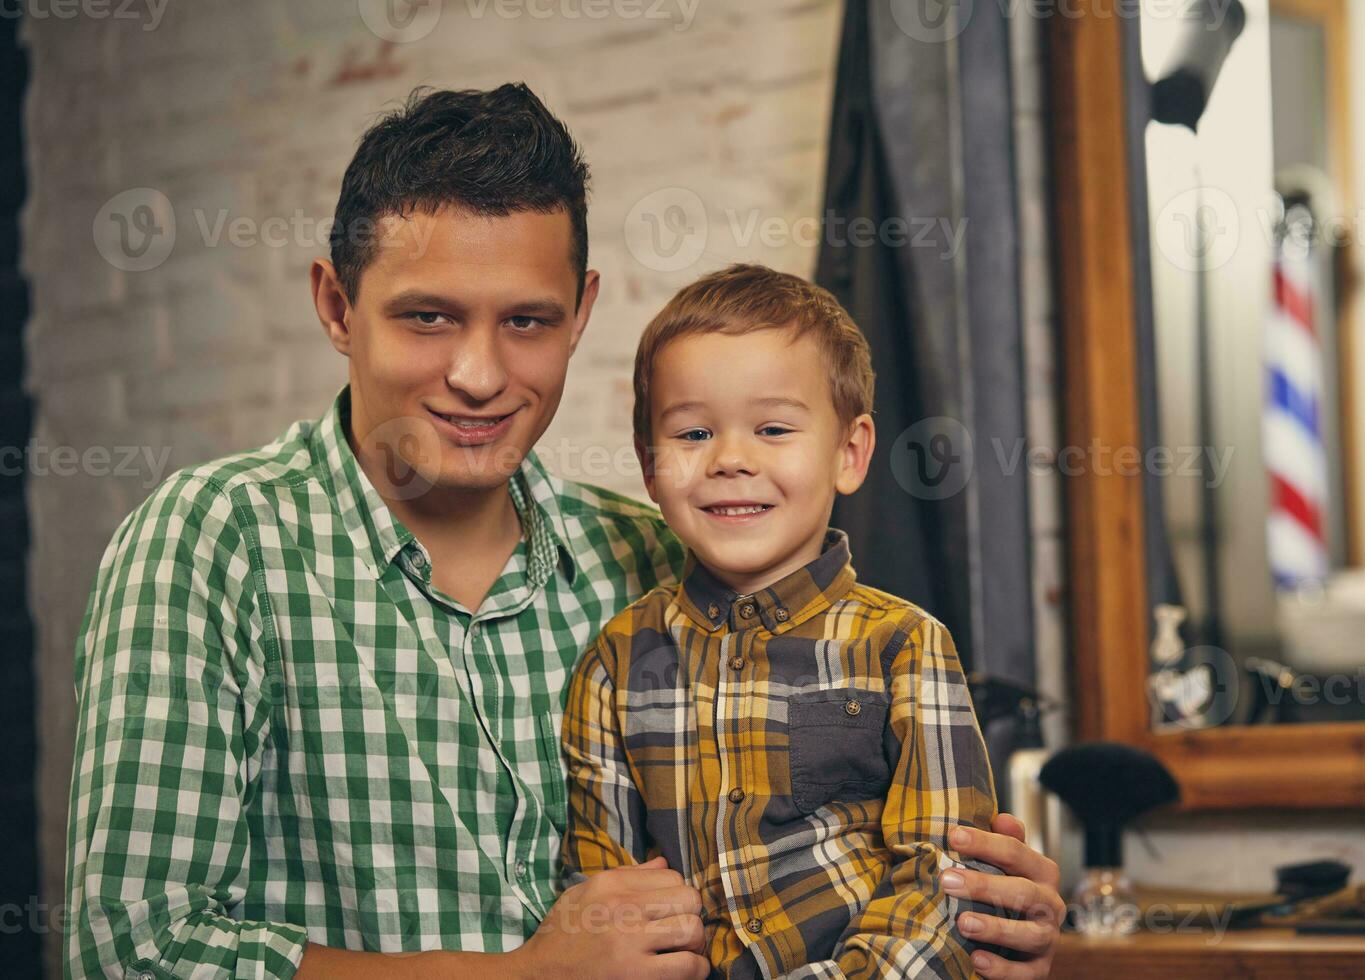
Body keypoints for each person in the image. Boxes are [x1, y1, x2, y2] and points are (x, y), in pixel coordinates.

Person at [63, 84, 1065, 979]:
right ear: (336, 304)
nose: (481, 373)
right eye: (427, 318)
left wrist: (991, 916)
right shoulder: (210, 544)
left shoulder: (659, 558)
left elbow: (846, 851)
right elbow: (135, 949)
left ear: (583, 311)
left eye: (527, 321)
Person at [562, 263, 1018, 979]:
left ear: (850, 452)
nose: (731, 459)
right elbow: (604, 895)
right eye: (692, 434)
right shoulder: (615, 665)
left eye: (773, 428)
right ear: (649, 468)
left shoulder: (903, 645)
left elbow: (944, 878)